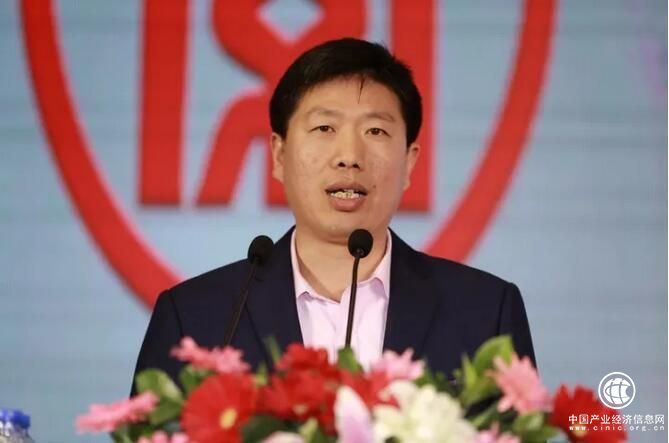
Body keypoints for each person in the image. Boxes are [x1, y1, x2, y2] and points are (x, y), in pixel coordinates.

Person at [132, 38, 536, 391]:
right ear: (279, 155)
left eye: (376, 131)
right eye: (325, 128)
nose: (349, 157)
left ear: (410, 161)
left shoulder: (485, 312)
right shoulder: (197, 318)